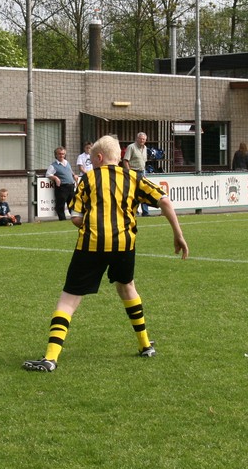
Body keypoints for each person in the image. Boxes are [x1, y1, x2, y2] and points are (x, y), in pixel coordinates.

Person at [22, 135, 189, 372]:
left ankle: (50, 358)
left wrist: (92, 222)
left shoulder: (89, 178)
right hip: (124, 245)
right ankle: (145, 345)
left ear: (99, 158)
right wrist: (178, 235)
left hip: (91, 245)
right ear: (119, 157)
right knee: (127, 287)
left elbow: (76, 217)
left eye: (92, 160)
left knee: (69, 299)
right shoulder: (134, 177)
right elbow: (165, 202)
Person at [46, 146, 78, 221]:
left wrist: (74, 175)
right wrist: (55, 178)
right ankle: (62, 219)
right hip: (62, 187)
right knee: (60, 204)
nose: (61, 155)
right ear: (56, 155)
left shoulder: (67, 163)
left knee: (72, 203)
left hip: (71, 186)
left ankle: (74, 218)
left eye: (63, 154)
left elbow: (70, 171)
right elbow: (48, 174)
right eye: (59, 154)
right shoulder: (53, 165)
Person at [122, 132, 150, 216]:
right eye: (140, 139)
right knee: (134, 192)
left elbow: (144, 162)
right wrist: (129, 172)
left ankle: (145, 212)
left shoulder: (145, 148)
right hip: (133, 171)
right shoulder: (131, 147)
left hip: (142, 171)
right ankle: (134, 211)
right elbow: (125, 160)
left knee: (144, 191)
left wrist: (144, 173)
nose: (142, 140)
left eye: (144, 139)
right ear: (137, 139)